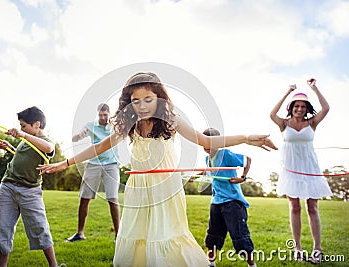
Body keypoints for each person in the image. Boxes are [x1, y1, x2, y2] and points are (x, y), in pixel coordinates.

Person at [38, 72, 277, 267]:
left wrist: (246, 137)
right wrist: (65, 162)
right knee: (138, 238)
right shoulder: (129, 124)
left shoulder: (170, 120)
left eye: (148, 99)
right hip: (139, 189)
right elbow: (101, 145)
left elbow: (207, 142)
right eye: (135, 101)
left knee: (163, 237)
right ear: (128, 103)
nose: (142, 106)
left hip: (166, 189)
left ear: (159, 98)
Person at [270, 79, 332, 264]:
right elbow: (272, 113)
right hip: (291, 171)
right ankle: (298, 249)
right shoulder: (283, 124)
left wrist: (314, 88)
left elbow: (326, 108)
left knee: (312, 207)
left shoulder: (312, 123)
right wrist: (288, 91)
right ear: (291, 108)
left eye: (303, 106)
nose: (299, 109)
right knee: (294, 207)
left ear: (307, 109)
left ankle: (317, 250)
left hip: (310, 169)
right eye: (296, 106)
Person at [0, 106, 63, 267]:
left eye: (24, 126)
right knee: (3, 227)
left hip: (30, 191)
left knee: (40, 227)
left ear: (36, 124)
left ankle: (54, 265)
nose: (21, 129)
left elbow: (48, 149)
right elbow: (22, 155)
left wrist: (23, 135)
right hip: (8, 186)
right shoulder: (25, 141)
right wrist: (9, 148)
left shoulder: (46, 141)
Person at [201, 128, 256, 267]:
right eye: (203, 142)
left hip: (232, 202)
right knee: (213, 235)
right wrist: (195, 175)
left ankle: (252, 265)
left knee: (240, 236)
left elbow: (247, 159)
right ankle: (211, 263)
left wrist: (242, 178)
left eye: (209, 142)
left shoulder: (225, 154)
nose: (205, 146)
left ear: (218, 143)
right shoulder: (207, 159)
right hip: (216, 202)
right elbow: (208, 172)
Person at [66, 103, 120, 242]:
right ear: (97, 114)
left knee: (113, 199)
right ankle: (79, 233)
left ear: (109, 113)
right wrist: (80, 135)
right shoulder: (90, 126)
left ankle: (118, 236)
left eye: (105, 114)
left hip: (111, 165)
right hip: (93, 164)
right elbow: (74, 139)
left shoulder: (115, 126)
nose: (103, 117)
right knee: (84, 199)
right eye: (100, 114)